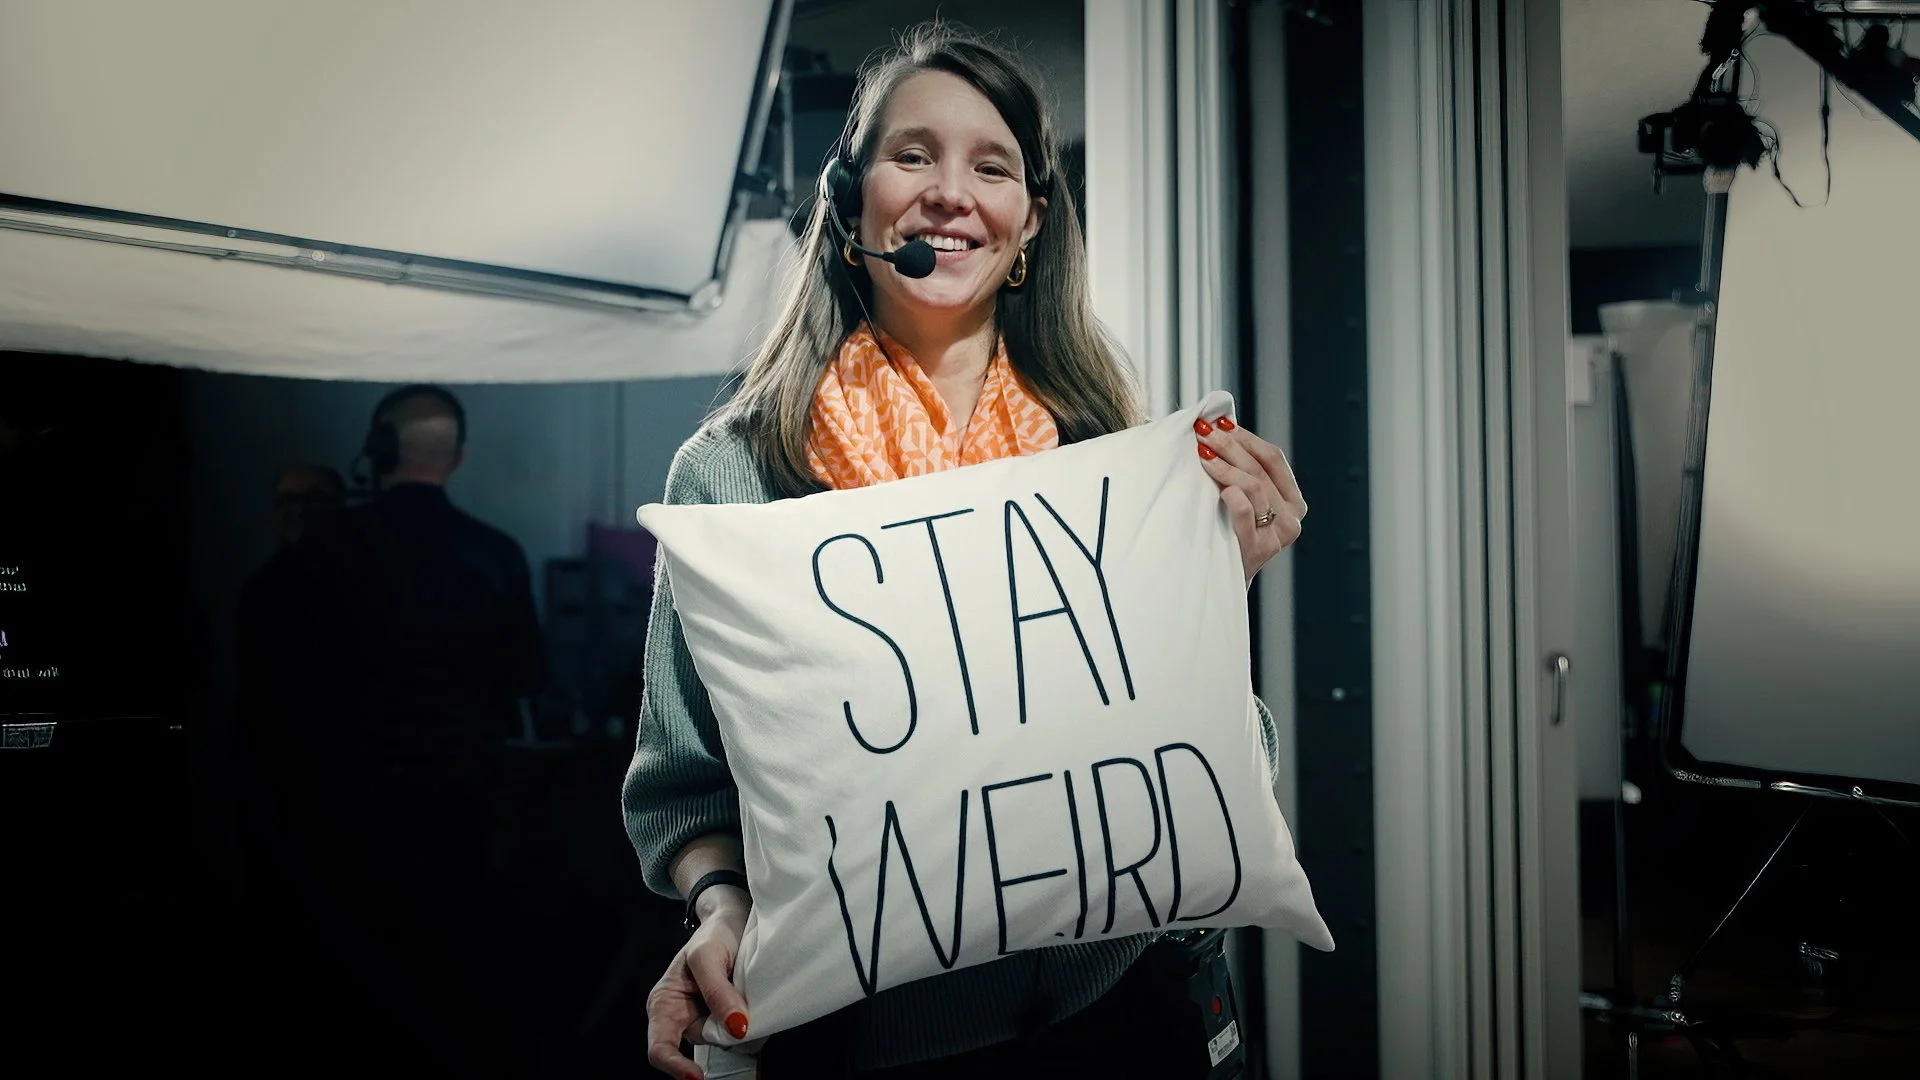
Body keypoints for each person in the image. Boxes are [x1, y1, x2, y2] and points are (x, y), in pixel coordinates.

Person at [624, 22, 1308, 1080]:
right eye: (913, 156)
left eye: (991, 167)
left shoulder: (1112, 459)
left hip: (1121, 1010)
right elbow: (688, 786)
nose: (951, 192)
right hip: (874, 1044)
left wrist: (1216, 598)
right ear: (853, 201)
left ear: (1028, 223)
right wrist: (717, 914)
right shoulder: (731, 474)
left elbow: (1208, 765)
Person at [269, 384, 548, 1074]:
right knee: (456, 981)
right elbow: (529, 679)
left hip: (349, 803)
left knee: (358, 983)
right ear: (457, 457)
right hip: (466, 803)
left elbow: (285, 685)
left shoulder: (324, 549)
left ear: (379, 449)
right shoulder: (497, 554)